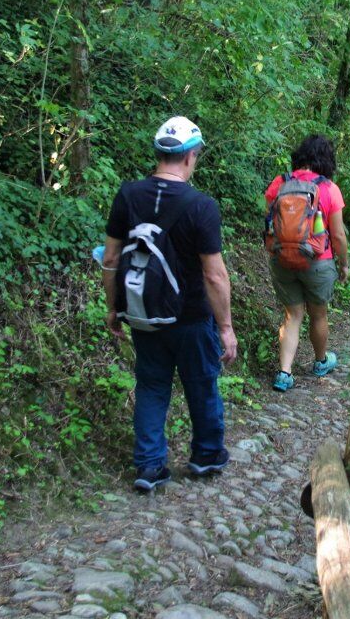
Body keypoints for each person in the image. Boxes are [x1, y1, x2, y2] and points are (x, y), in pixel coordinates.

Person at [101, 116, 238, 492]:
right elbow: (214, 275)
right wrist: (225, 327)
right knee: (202, 384)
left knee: (151, 386)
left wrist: (113, 306)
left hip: (143, 313)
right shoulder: (201, 206)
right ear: (191, 157)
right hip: (192, 316)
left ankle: (149, 466)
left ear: (160, 154)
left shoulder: (128, 195)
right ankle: (206, 455)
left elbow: (111, 258)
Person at [264, 135, 349, 392]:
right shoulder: (329, 189)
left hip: (282, 259)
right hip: (318, 261)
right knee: (318, 314)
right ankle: (321, 362)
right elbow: (337, 235)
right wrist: (343, 264)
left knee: (292, 315)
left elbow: (271, 220)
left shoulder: (280, 183)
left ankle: (284, 372)